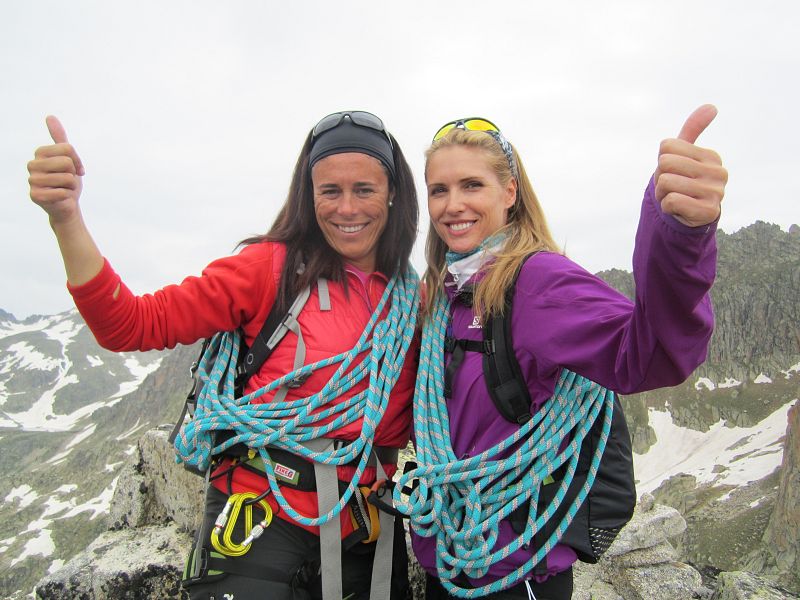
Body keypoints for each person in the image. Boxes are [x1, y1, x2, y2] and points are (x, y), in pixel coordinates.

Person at [27, 111, 421, 600]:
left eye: (364, 190)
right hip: (260, 521)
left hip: (367, 532)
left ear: (392, 193)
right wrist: (66, 218)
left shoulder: (414, 300)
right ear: (308, 195)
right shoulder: (268, 270)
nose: (347, 208)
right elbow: (130, 324)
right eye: (329, 191)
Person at [392, 107, 727, 599]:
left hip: (516, 576)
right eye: (439, 190)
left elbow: (649, 354)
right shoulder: (445, 295)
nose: (452, 205)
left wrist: (679, 235)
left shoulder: (537, 281)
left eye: (472, 185)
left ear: (510, 192)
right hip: (448, 563)